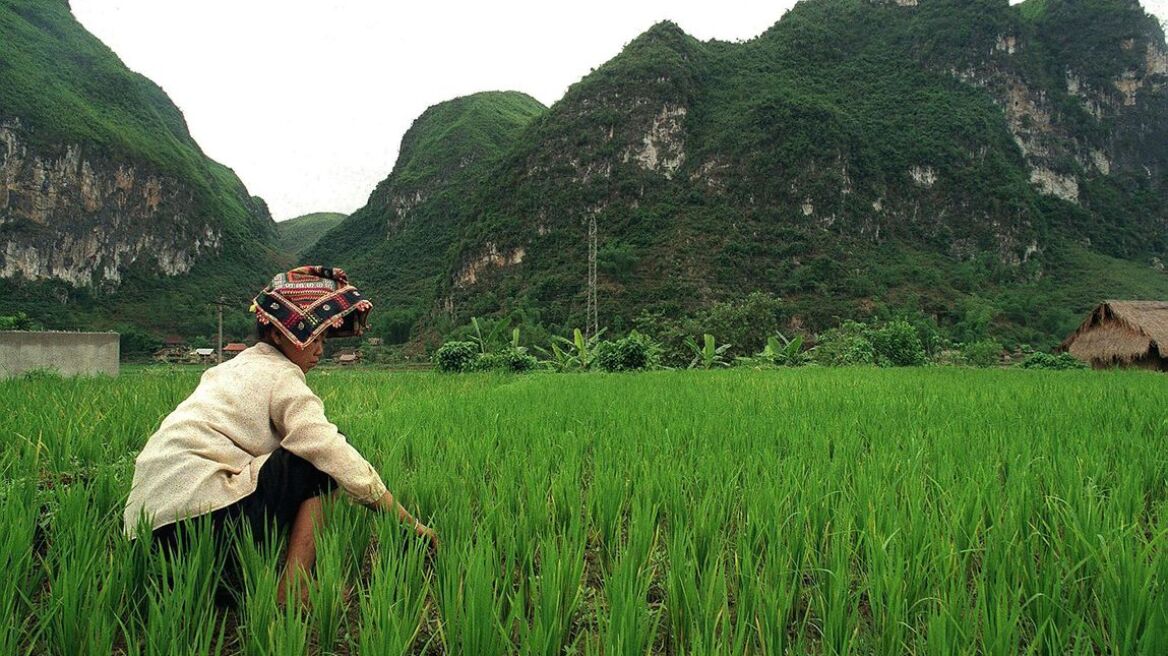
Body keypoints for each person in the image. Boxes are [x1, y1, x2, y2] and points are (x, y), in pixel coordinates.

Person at [123, 265, 436, 605]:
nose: (318, 350)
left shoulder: (227, 370)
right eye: (311, 339)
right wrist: (411, 525)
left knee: (283, 463)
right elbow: (331, 452)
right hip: (200, 521)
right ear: (276, 335)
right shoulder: (281, 374)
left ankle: (234, 578)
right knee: (317, 463)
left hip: (145, 537)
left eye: (322, 340)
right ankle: (294, 590)